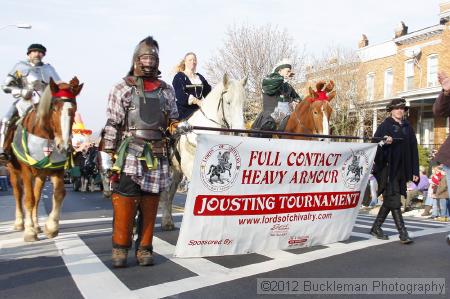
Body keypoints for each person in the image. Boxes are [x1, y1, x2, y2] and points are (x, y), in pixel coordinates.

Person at [101, 36, 179, 267]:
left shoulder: (167, 90)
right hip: (130, 152)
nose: (149, 62)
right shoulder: (122, 87)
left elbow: (172, 121)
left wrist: (178, 127)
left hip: (157, 153)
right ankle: (120, 248)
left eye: (152, 57)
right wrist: (107, 160)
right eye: (145, 57)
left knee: (150, 202)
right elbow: (112, 124)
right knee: (126, 199)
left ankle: (145, 248)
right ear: (136, 59)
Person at [370, 97, 419, 244]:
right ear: (391, 110)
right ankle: (403, 233)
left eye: (402, 108)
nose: (399, 111)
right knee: (395, 199)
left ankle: (376, 228)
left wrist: (414, 171)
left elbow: (413, 150)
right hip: (387, 169)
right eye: (396, 108)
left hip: (401, 170)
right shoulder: (385, 125)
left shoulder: (408, 127)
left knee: (390, 200)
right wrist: (384, 141)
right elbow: (374, 143)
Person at [0, 44, 60, 161]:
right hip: (25, 101)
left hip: (47, 103)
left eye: (40, 52)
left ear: (43, 55)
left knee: (63, 119)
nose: (37, 54)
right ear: (29, 54)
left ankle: (65, 149)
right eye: (34, 52)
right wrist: (21, 91)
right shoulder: (20, 67)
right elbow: (5, 86)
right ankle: (3, 149)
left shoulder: (49, 69)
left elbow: (58, 86)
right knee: (6, 120)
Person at [250, 58, 302, 135]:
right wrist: (281, 77)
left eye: (290, 71)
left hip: (286, 116)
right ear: (280, 71)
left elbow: (298, 99)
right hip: (271, 115)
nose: (289, 73)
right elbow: (269, 87)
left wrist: (296, 102)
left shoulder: (288, 86)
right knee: (267, 127)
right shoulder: (271, 79)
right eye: (288, 71)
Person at [172, 52, 211, 120]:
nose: (193, 62)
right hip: (183, 112)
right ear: (185, 62)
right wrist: (196, 101)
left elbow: (208, 93)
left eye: (194, 60)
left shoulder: (200, 77)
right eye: (190, 60)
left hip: (199, 111)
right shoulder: (179, 77)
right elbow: (181, 96)